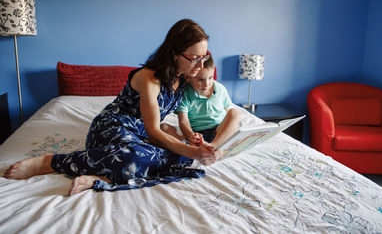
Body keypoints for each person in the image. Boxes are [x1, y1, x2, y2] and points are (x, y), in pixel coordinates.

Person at [4, 19, 220, 194]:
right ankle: (51, 162)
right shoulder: (149, 79)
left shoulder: (184, 79)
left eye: (204, 56)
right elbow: (154, 133)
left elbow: (164, 125)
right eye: (194, 58)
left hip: (139, 136)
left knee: (183, 158)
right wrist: (192, 150)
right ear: (174, 53)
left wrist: (193, 144)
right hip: (112, 127)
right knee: (137, 158)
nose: (200, 65)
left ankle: (101, 177)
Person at [161, 55, 240, 152]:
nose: (207, 84)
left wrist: (229, 127)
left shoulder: (220, 89)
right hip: (196, 134)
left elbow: (227, 112)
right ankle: (185, 142)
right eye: (200, 80)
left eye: (210, 77)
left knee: (235, 113)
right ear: (188, 78)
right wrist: (190, 135)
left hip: (218, 131)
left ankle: (213, 145)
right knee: (163, 127)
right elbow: (183, 121)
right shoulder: (185, 93)